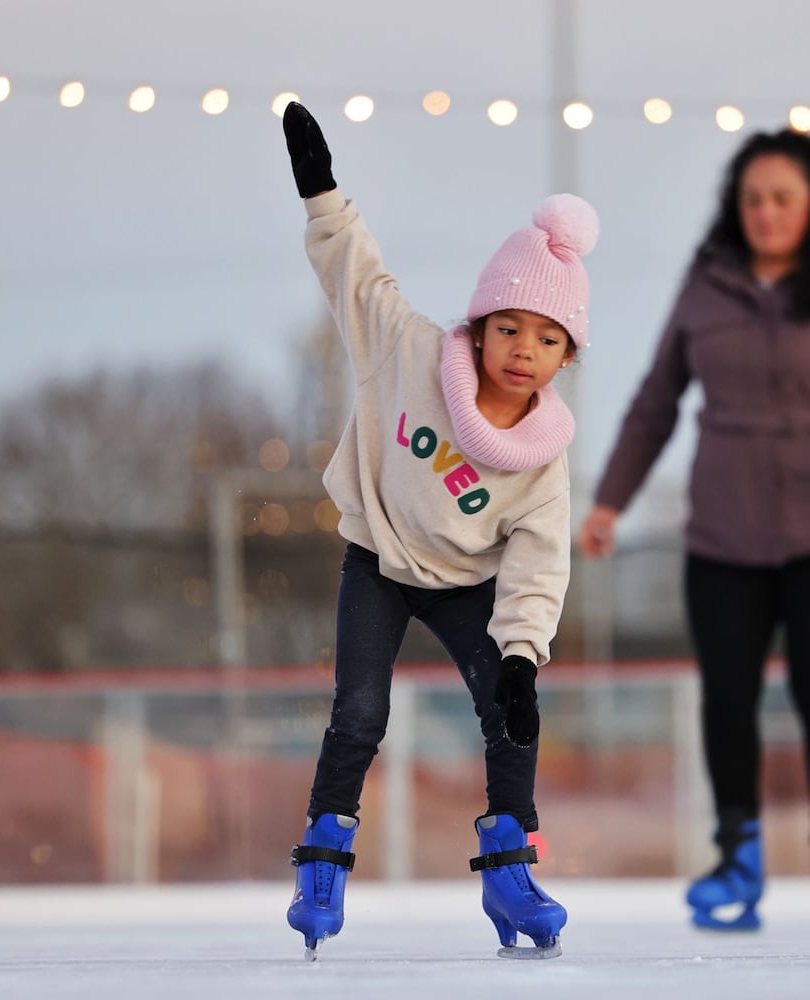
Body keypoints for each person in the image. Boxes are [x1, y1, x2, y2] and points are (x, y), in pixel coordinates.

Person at [578, 128, 810, 930]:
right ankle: (737, 854)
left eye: (783, 199)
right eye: (754, 199)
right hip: (725, 530)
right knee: (726, 693)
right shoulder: (707, 284)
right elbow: (658, 394)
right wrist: (609, 501)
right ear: (736, 207)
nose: (767, 214)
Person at [278, 102, 598, 960]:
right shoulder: (410, 353)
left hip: (471, 587)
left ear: (567, 356)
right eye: (509, 329)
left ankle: (509, 870)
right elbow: (358, 275)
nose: (522, 349)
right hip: (379, 561)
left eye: (546, 337)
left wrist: (523, 657)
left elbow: (538, 564)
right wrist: (322, 194)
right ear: (481, 326)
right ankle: (323, 862)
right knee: (359, 712)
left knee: (511, 715)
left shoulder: (542, 458)